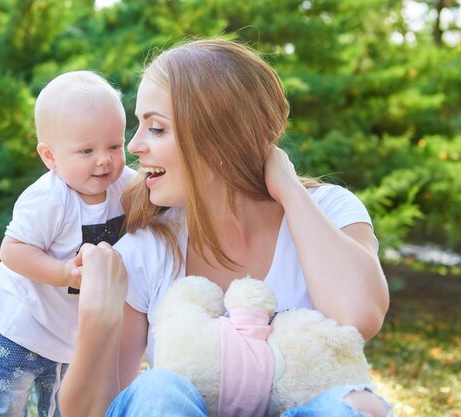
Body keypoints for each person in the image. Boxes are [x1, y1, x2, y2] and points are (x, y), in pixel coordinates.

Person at [59, 39, 392, 417]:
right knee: (156, 390)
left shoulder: (327, 210)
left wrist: (289, 189)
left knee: (355, 406)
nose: (134, 145)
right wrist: (97, 319)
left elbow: (360, 316)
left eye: (156, 128)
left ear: (217, 138)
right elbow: (90, 412)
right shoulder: (148, 247)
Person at [0, 70, 136, 417]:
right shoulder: (49, 199)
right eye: (86, 150)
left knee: (62, 409)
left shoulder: (127, 187)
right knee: (1, 410)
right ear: (50, 156)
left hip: (67, 340)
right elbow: (12, 251)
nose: (104, 159)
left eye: (114, 146)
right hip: (14, 328)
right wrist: (61, 272)